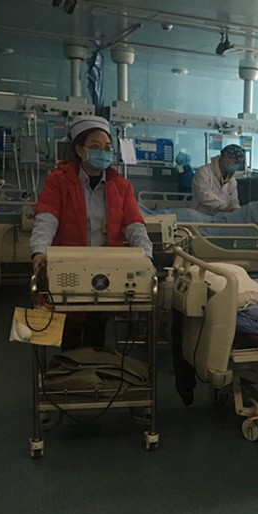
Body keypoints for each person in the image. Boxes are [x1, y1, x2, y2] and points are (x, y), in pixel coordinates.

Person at [30, 114, 153, 349]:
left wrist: (146, 256)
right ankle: (69, 369)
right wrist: (39, 250)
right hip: (69, 265)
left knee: (97, 330)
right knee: (70, 330)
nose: (103, 152)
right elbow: (47, 218)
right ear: (79, 150)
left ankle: (94, 368)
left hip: (106, 268)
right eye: (95, 147)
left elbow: (134, 225)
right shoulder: (59, 181)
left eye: (107, 148)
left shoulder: (121, 186)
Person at [189, 144, 245, 214]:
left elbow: (234, 201)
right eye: (235, 162)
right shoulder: (204, 172)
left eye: (238, 163)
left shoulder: (232, 180)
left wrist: (238, 212)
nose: (236, 166)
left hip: (221, 217)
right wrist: (224, 208)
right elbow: (204, 195)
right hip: (200, 215)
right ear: (226, 158)